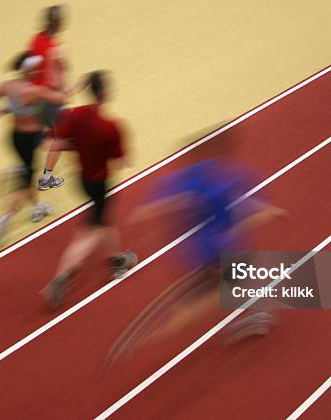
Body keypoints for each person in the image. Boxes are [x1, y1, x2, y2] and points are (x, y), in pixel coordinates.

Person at [104, 139, 290, 370]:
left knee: (223, 279)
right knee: (234, 283)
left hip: (196, 249)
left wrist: (149, 212)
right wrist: (271, 213)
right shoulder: (226, 179)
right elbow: (244, 209)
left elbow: (167, 202)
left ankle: (215, 304)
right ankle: (190, 317)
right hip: (223, 246)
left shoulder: (188, 177)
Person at [40, 71, 136, 310]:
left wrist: (79, 146)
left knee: (103, 220)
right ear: (105, 93)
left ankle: (117, 259)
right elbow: (122, 160)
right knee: (89, 232)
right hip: (99, 182)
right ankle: (61, 278)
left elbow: (57, 143)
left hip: (81, 180)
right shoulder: (110, 127)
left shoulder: (74, 115)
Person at [0, 52, 65, 246]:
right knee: (25, 185)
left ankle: (38, 206)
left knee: (28, 171)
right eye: (35, 69)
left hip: (15, 137)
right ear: (28, 70)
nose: (38, 71)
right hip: (31, 139)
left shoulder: (6, 87)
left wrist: (1, 111)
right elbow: (60, 97)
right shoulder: (34, 91)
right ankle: (3, 221)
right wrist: (59, 75)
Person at [28, 4, 87, 191]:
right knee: (61, 137)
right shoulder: (58, 49)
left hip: (32, 95)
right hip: (50, 99)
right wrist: (67, 92)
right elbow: (58, 78)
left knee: (44, 131)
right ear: (61, 24)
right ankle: (46, 178)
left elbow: (30, 66)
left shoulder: (35, 39)